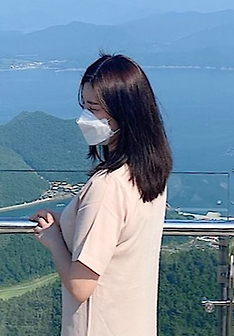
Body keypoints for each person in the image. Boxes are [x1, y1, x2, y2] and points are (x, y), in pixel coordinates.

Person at [31, 53, 172, 336]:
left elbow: (81, 285)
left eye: (94, 108)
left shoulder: (108, 186)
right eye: (84, 106)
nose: (84, 118)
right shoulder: (149, 172)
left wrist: (52, 239)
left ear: (125, 113)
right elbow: (119, 231)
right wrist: (68, 220)